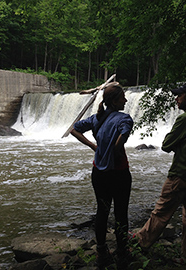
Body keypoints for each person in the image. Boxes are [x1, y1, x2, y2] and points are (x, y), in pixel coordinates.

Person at [134, 83, 186, 269]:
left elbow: (167, 145)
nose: (176, 98)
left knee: (161, 212)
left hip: (180, 175)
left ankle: (138, 245)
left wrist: (177, 144)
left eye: (179, 95)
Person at [71, 82, 134, 269]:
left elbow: (74, 129)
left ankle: (101, 251)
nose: (126, 99)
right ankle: (122, 252)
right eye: (123, 97)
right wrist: (113, 152)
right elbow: (119, 144)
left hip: (98, 172)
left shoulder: (96, 118)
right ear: (114, 101)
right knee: (121, 212)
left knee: (102, 211)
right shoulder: (125, 119)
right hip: (119, 172)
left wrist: (95, 147)